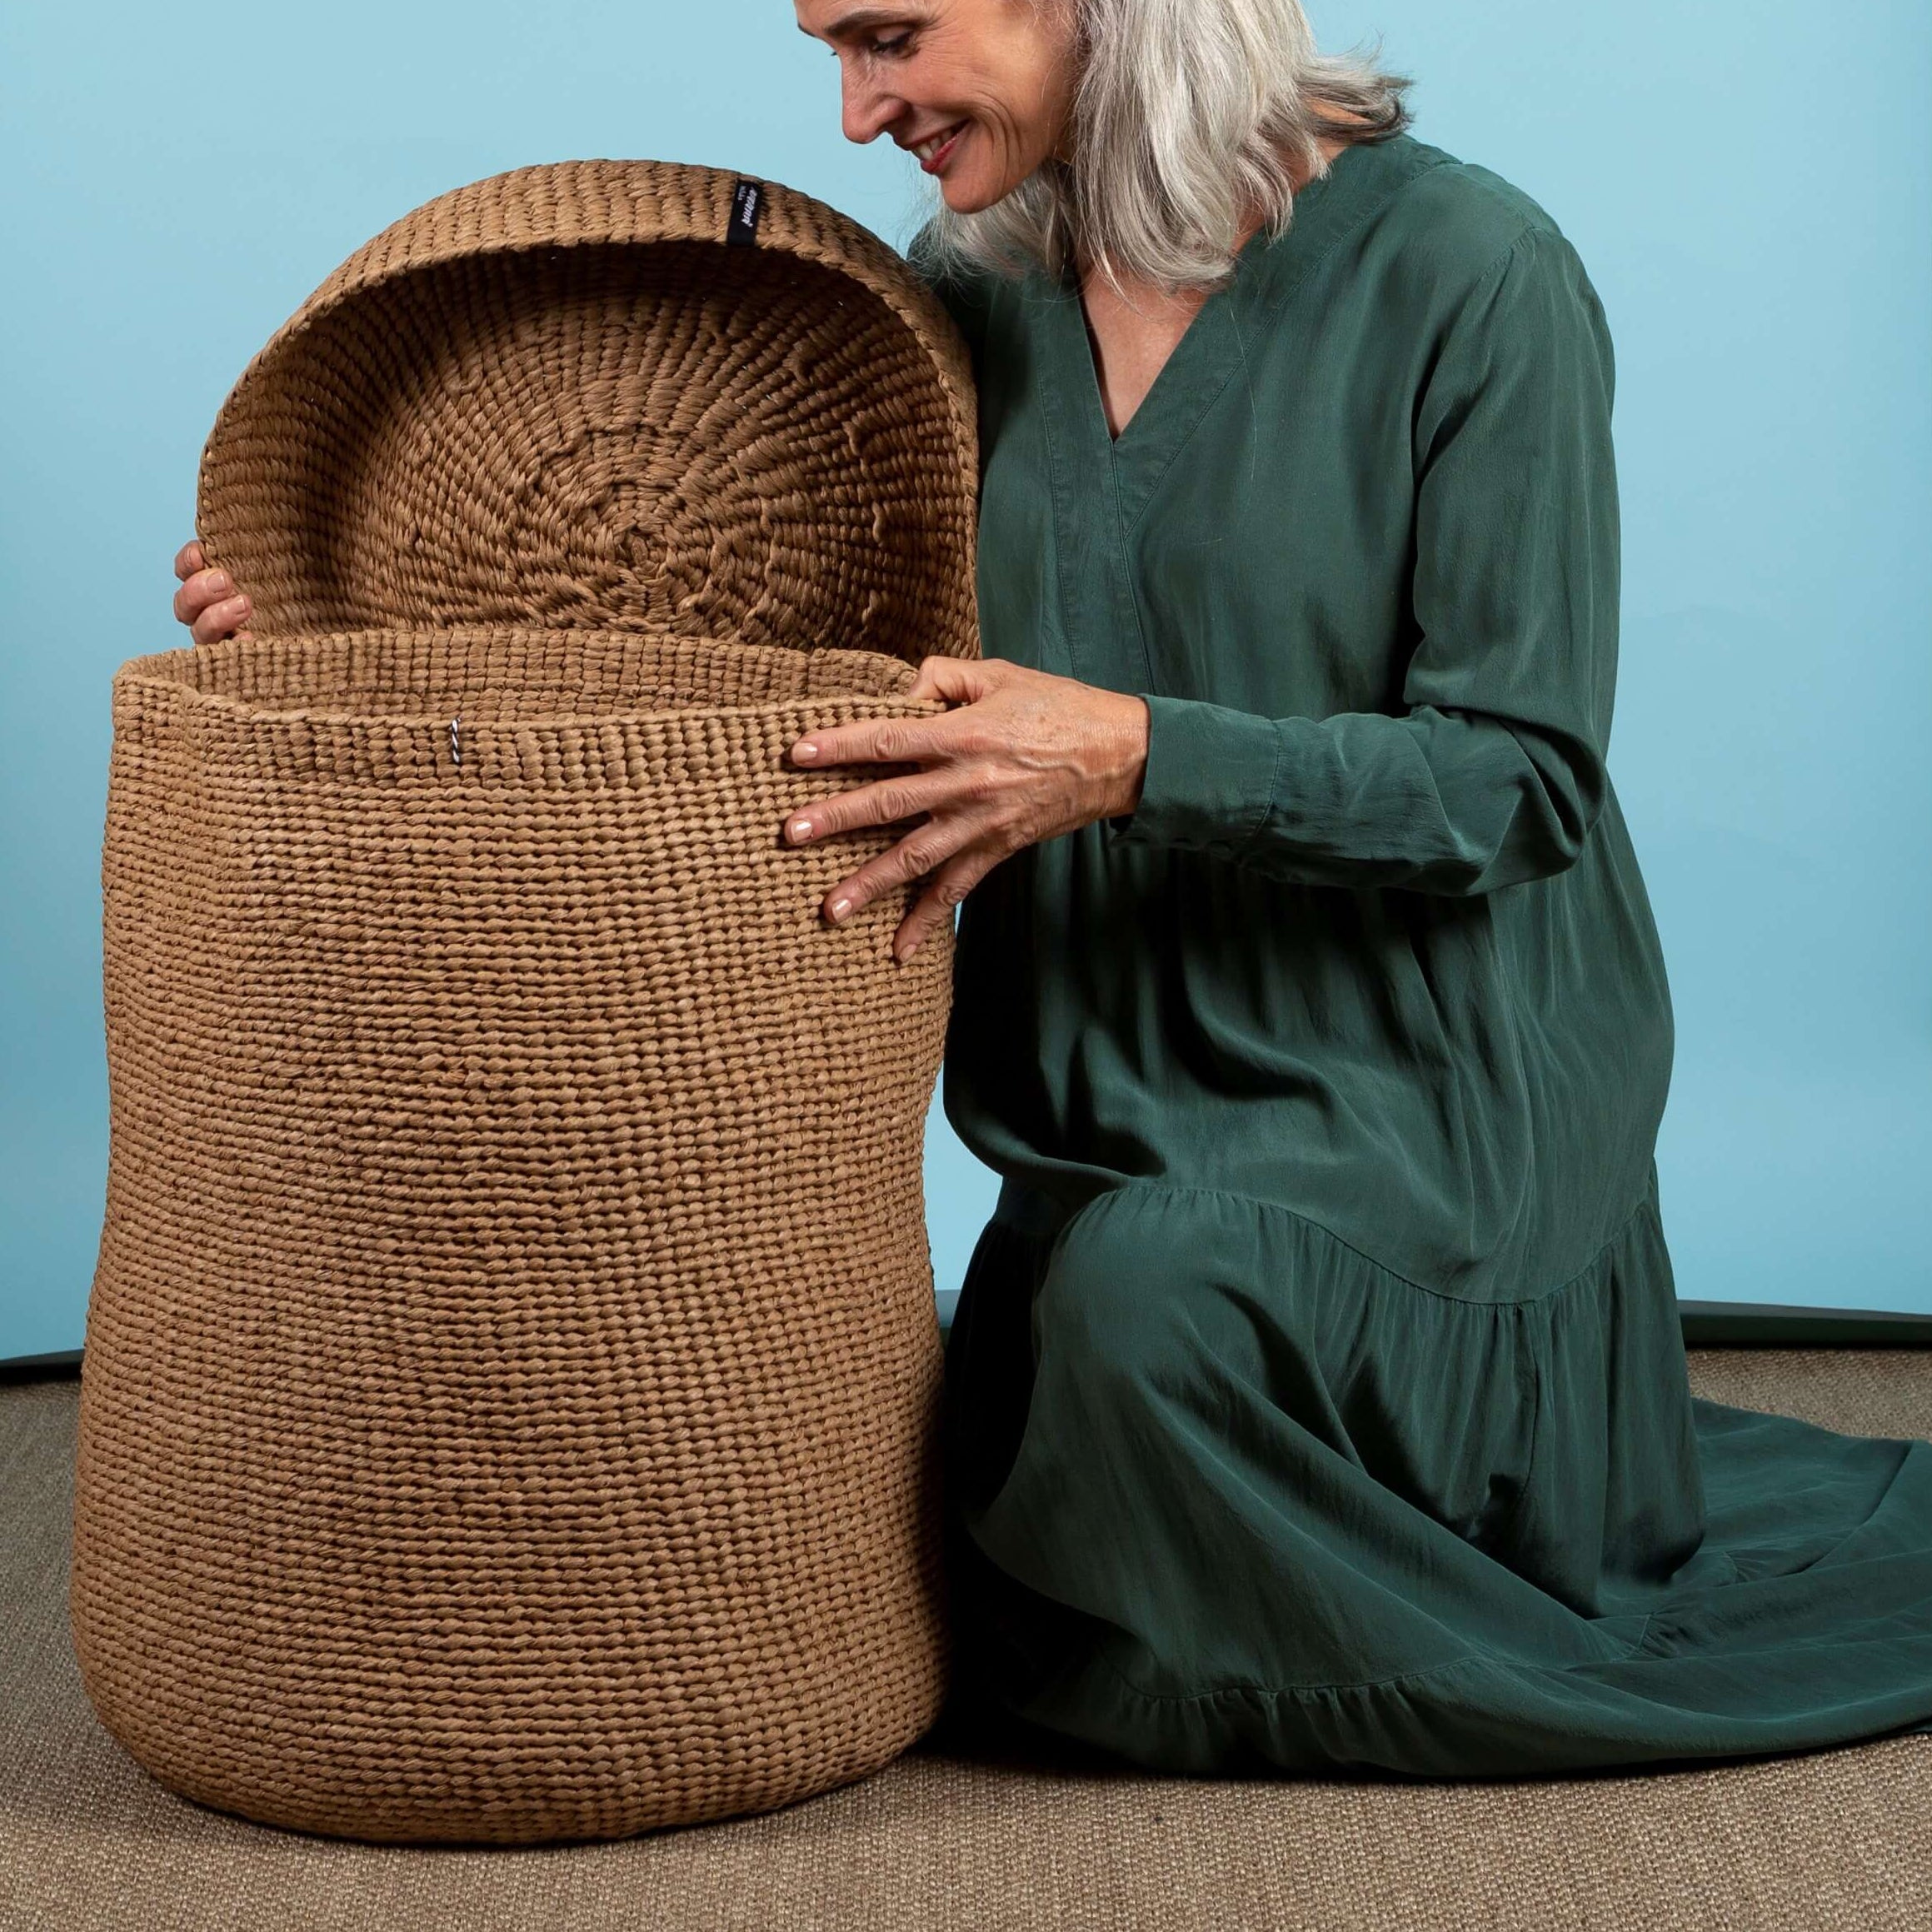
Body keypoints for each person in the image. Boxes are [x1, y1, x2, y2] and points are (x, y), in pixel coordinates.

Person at [174, 0, 1932, 1779]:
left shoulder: (1474, 275)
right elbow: (744, 644)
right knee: (927, 1399)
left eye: (889, 37)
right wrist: (345, 620)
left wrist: (1135, 758)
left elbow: (1519, 780)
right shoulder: (964, 298)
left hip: (1433, 1120)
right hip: (1102, 1134)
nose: (856, 113)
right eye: (829, 52)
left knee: (1123, 1342)